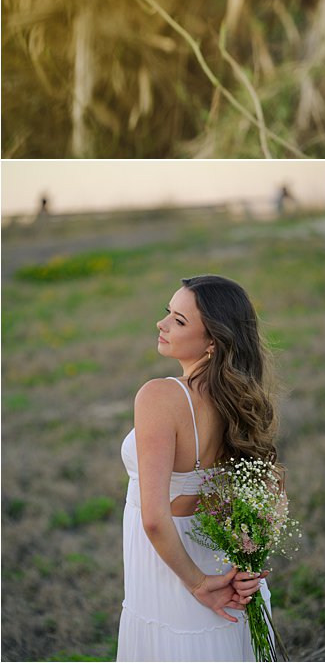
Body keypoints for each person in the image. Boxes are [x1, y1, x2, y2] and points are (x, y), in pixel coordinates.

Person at [116, 275, 275, 660]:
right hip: (231, 577)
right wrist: (248, 561)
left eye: (179, 320)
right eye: (167, 313)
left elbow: (154, 518)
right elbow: (269, 500)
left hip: (177, 572)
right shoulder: (243, 403)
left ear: (213, 342)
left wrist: (200, 584)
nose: (163, 324)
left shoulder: (160, 396)